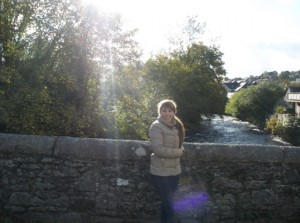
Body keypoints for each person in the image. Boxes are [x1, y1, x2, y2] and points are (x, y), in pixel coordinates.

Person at [149, 99, 185, 223]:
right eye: (164, 110)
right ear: (160, 111)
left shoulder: (177, 126)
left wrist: (179, 150)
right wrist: (179, 152)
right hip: (160, 173)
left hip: (175, 171)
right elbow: (158, 150)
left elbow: (179, 144)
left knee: (167, 203)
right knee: (169, 203)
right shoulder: (156, 126)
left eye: (170, 110)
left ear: (174, 112)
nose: (167, 113)